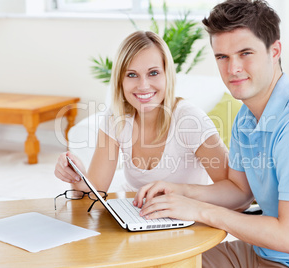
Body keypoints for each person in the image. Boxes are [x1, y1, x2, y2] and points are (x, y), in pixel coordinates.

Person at [133, 1, 289, 267]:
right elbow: (240, 191)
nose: (233, 69)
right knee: (157, 261)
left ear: (274, 50)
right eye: (222, 57)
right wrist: (180, 191)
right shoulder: (247, 116)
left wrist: (198, 209)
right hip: (264, 252)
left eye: (245, 53)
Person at [54, 31, 228, 193]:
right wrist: (76, 175)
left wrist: (182, 197)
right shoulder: (116, 118)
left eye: (153, 73)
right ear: (120, 81)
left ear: (167, 75)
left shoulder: (190, 120)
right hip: (135, 212)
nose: (143, 85)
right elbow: (94, 193)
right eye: (131, 75)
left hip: (186, 217)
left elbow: (232, 192)